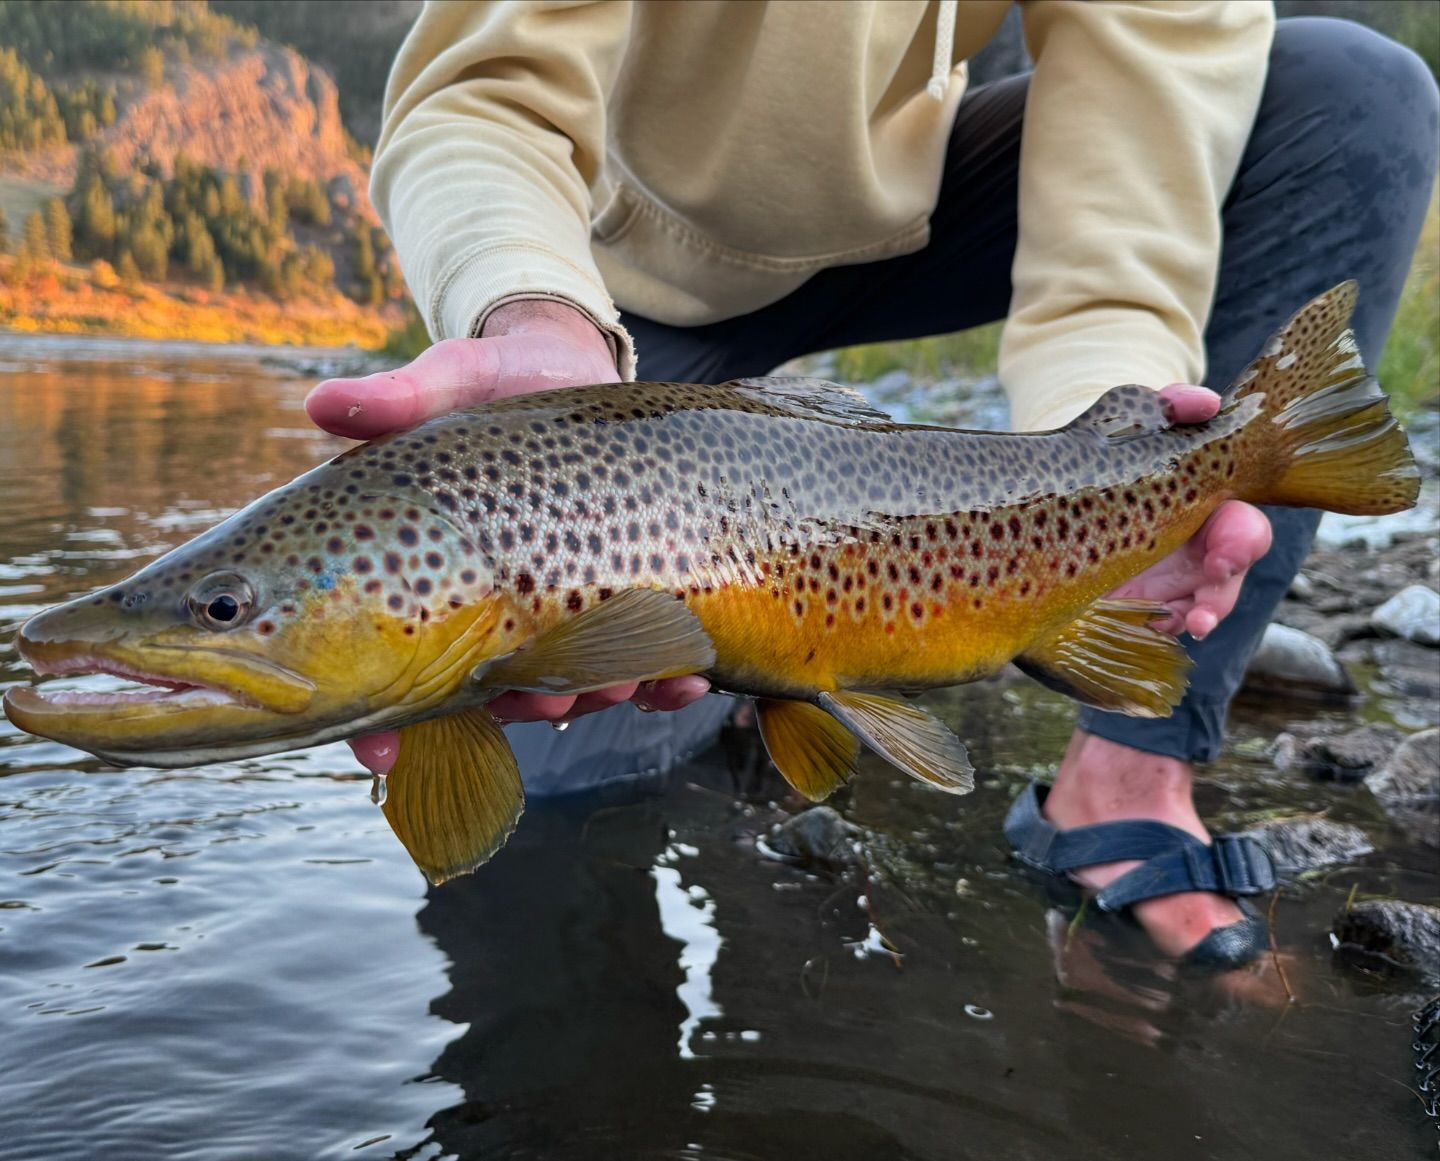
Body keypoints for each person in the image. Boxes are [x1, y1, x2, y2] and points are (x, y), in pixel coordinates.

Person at [306, 1, 1438, 971]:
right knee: (547, 803)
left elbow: (1141, 144)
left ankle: (1129, 768)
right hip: (602, 300)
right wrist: (531, 309)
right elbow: (484, 91)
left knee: (1349, 92)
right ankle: (766, 665)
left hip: (928, 211)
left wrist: (1117, 427)